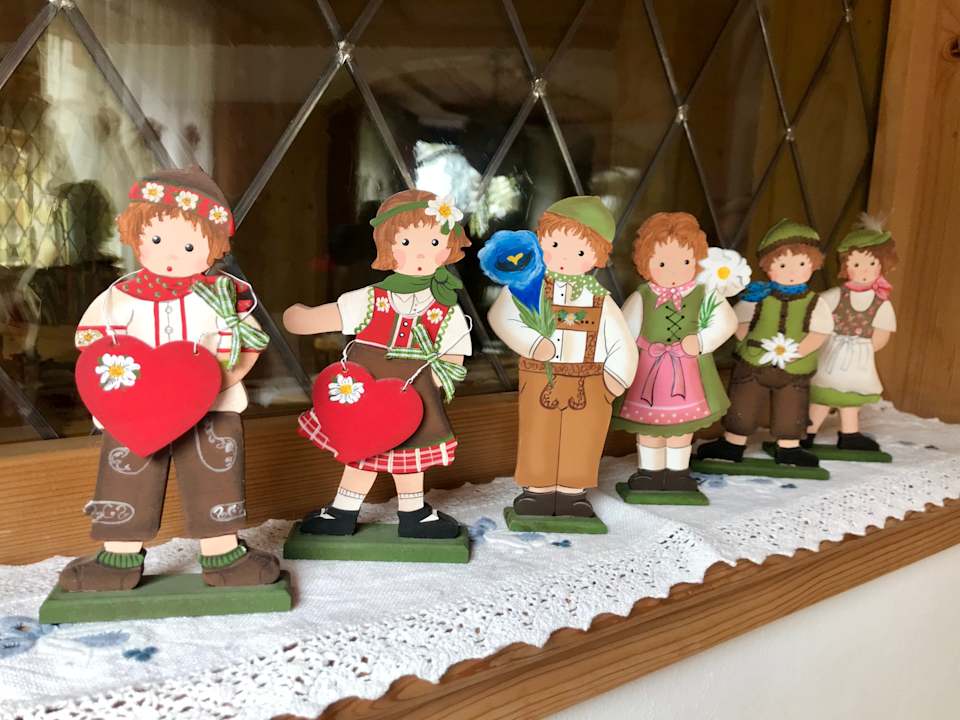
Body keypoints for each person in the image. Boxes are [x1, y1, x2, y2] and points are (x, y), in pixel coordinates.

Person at [61, 167, 280, 591]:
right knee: (128, 471)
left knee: (215, 471)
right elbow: (91, 341)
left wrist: (218, 380)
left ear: (213, 248)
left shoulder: (221, 298)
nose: (171, 255)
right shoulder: (119, 297)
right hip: (135, 406)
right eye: (157, 240)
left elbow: (248, 342)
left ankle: (222, 553)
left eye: (189, 245)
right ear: (135, 235)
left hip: (211, 404)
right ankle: (119, 556)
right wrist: (116, 381)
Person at [283, 190, 472, 539]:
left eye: (433, 242)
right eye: (407, 242)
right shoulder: (372, 297)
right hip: (363, 384)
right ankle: (343, 510)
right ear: (388, 246)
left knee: (411, 452)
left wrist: (438, 383)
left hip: (414, 391)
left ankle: (413, 512)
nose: (420, 253)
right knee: (361, 448)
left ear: (448, 248)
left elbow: (453, 356)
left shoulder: (446, 307)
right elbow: (332, 315)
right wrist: (301, 319)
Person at [488, 196, 638, 519]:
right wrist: (532, 344)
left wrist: (616, 378)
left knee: (582, 438)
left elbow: (622, 342)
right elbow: (501, 317)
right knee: (538, 433)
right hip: (539, 376)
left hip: (590, 381)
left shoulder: (601, 300)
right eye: (555, 245)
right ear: (540, 241)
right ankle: (538, 491)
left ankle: (572, 493)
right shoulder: (526, 287)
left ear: (598, 257)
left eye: (580, 252)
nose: (565, 257)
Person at [613, 212, 738, 495]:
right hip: (648, 374)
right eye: (662, 263)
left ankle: (678, 474)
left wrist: (702, 341)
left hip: (688, 372)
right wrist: (619, 363)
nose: (673, 271)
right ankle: (650, 473)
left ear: (697, 261)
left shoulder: (705, 294)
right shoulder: (642, 296)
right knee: (649, 428)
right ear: (645, 263)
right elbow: (623, 331)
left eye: (684, 262)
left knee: (682, 428)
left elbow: (726, 322)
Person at [697, 219, 834, 468]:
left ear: (813, 265)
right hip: (753, 364)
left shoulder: (816, 303)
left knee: (791, 406)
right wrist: (749, 343)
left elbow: (820, 331)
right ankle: (733, 443)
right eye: (782, 265)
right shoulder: (757, 297)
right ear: (768, 266)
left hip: (794, 367)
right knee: (743, 402)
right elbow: (737, 322)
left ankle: (789, 447)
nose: (791, 272)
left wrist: (799, 351)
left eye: (801, 264)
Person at [806, 216, 897, 451]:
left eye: (871, 263)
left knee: (850, 397)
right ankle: (807, 431)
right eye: (856, 264)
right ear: (845, 266)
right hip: (832, 351)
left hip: (859, 356)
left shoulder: (881, 303)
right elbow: (816, 313)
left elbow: (882, 333)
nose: (864, 270)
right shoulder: (835, 296)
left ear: (882, 265)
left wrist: (863, 349)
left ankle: (849, 434)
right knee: (823, 394)